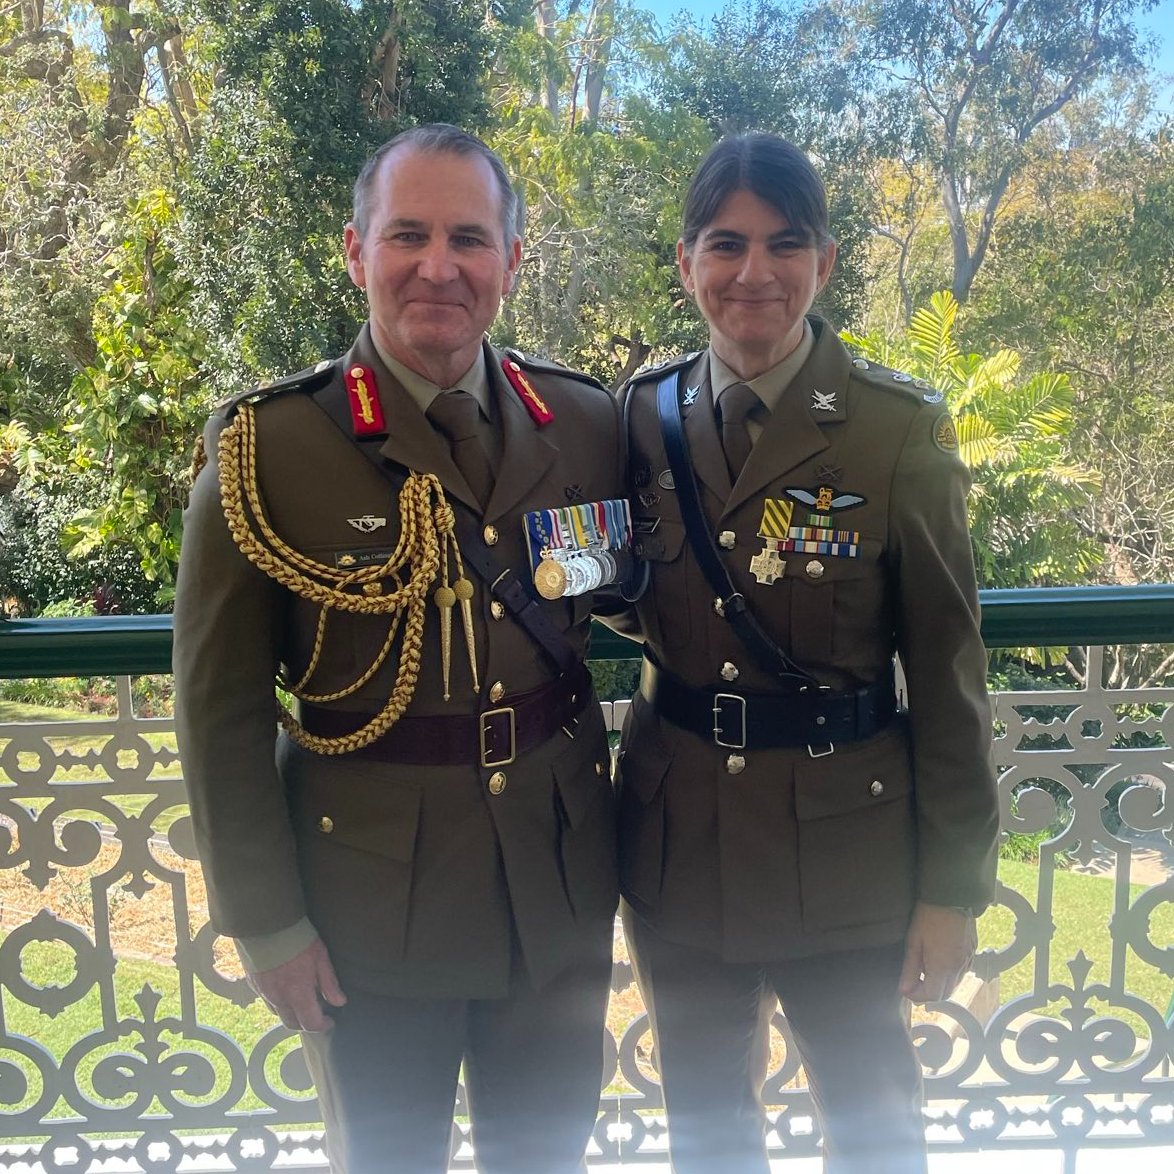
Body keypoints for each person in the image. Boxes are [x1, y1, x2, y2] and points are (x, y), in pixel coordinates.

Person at [173, 124, 625, 1174]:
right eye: (406, 234)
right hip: (367, 903)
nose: (439, 266)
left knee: (548, 1153)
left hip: (556, 880)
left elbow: (633, 590)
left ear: (512, 260)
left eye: (470, 237)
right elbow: (220, 711)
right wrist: (267, 923)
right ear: (354, 250)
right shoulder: (267, 450)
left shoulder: (587, 423)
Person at [611, 133, 999, 1173]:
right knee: (704, 1123)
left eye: (785, 244)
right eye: (725, 244)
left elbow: (950, 673)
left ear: (824, 262)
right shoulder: (638, 419)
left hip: (850, 846)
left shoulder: (893, 429)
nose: (754, 273)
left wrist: (953, 884)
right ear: (686, 261)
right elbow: (616, 587)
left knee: (873, 1123)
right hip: (674, 835)